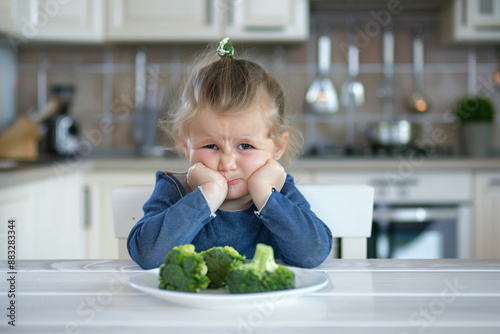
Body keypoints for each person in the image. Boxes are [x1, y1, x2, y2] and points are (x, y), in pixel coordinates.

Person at [127, 38, 332, 269]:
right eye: (211, 146)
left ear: (277, 148)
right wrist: (207, 195)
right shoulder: (174, 190)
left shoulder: (280, 191)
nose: (227, 163)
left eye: (245, 146)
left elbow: (313, 254)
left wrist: (266, 195)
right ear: (186, 143)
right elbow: (147, 255)